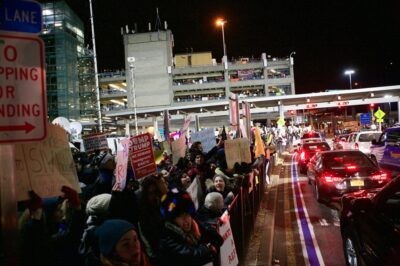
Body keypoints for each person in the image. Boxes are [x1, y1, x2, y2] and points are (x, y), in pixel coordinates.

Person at [158, 190, 219, 266]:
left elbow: (206, 230)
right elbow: (189, 255)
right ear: (173, 220)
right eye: (180, 217)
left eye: (187, 214)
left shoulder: (194, 224)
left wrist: (214, 235)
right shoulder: (167, 238)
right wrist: (206, 249)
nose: (186, 220)